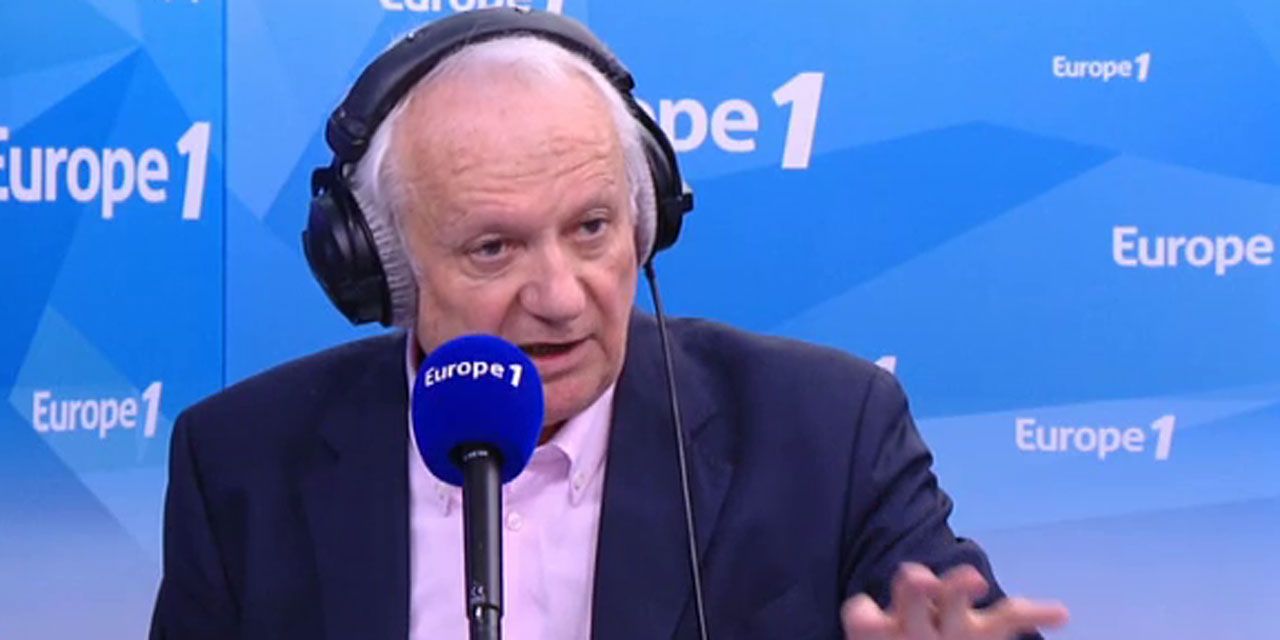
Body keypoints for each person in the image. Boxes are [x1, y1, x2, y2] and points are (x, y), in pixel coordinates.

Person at [150, 8, 1069, 640]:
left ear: (646, 219)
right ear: (387, 267)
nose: (560, 295)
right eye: (493, 249)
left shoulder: (826, 431)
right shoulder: (241, 464)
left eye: (591, 228)